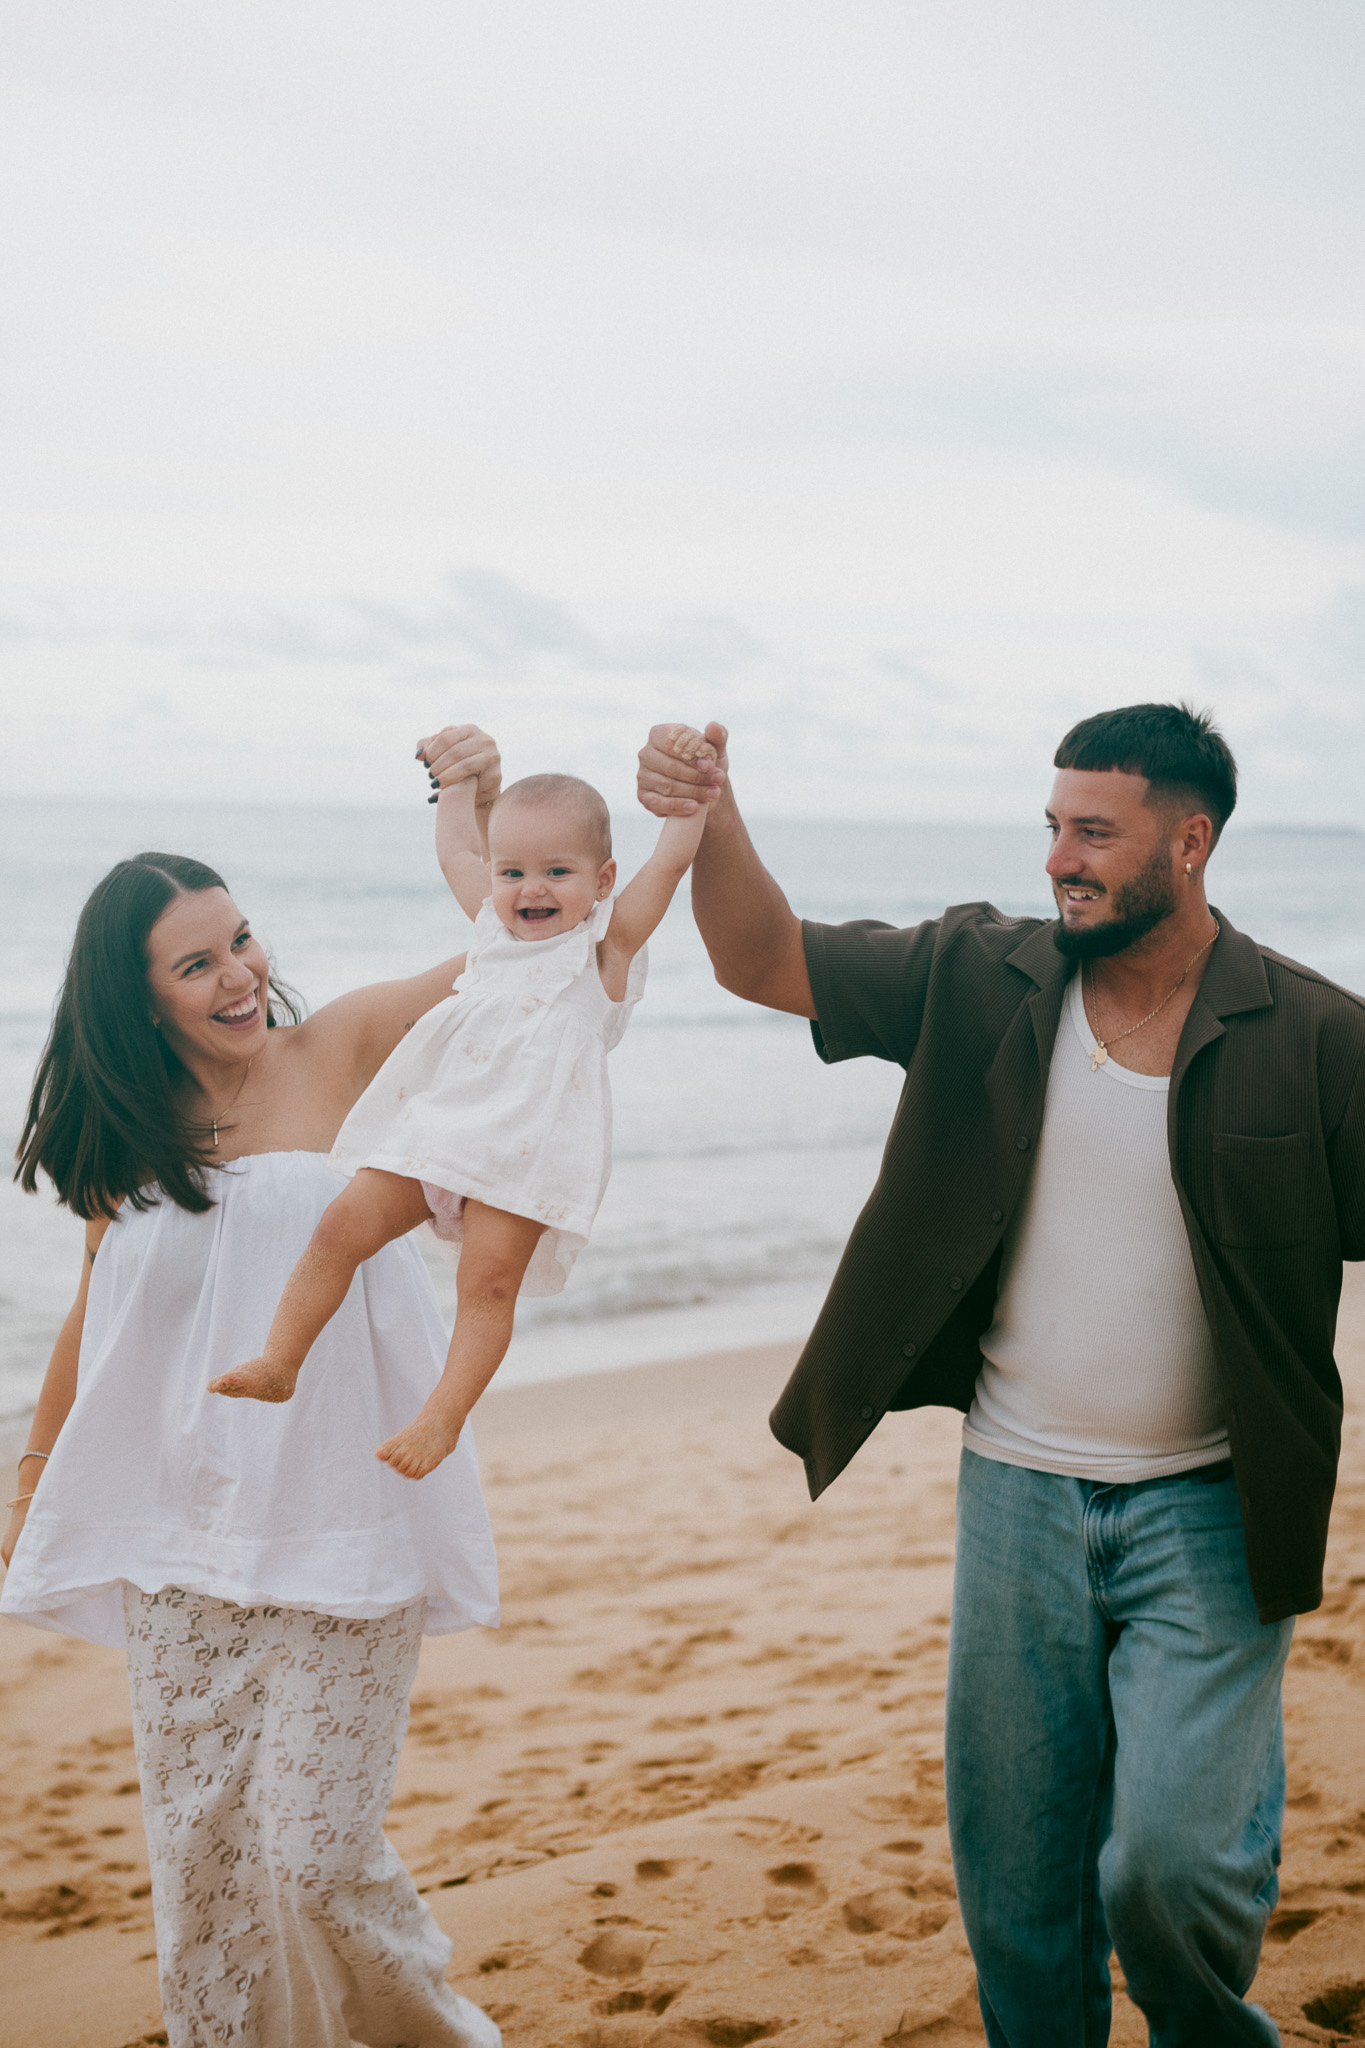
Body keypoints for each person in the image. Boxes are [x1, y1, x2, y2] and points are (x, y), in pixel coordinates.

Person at [636, 702, 1365, 2048]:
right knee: (1019, 1894)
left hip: (1211, 1512)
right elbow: (757, 959)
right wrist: (711, 815)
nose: (1059, 859)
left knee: (1165, 1870)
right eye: (1052, 827)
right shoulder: (980, 973)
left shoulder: (1315, 1037)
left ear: (1189, 842)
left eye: (1095, 831)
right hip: (1019, 1499)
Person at [0, 722, 514, 2048]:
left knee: (313, 1855)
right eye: (197, 963)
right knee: (208, 1864)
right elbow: (92, 1321)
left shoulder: (338, 1052)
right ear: (140, 1000)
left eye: (241, 941)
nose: (239, 976)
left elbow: (521, 967)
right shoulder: (127, 1134)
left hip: (343, 1512)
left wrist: (476, 809)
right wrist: (33, 1472)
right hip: (180, 1537)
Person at [210, 723, 715, 1480]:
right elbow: (456, 852)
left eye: (557, 871)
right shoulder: (490, 932)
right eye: (512, 871)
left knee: (486, 1284)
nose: (529, 889)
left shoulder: (602, 955)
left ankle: (442, 1417)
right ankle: (281, 1360)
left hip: (522, 1155)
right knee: (339, 1228)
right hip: (434, 1133)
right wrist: (457, 789)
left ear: (603, 881)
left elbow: (671, 862)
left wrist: (697, 791)